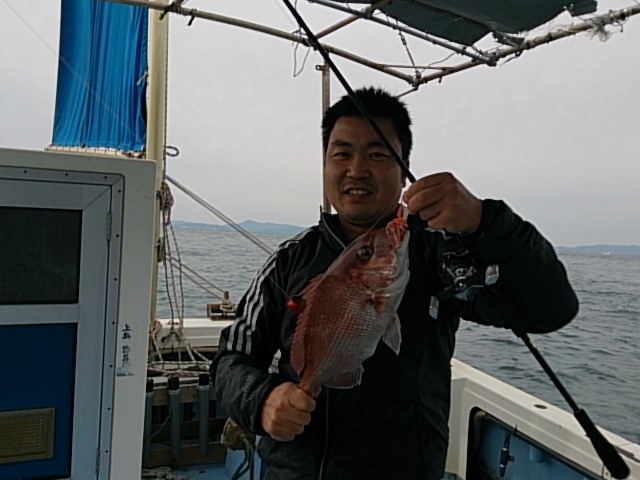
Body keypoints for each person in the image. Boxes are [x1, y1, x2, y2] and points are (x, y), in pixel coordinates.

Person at [211, 87, 578, 479]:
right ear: (325, 165)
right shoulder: (288, 261)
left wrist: (485, 222)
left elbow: (549, 310)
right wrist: (263, 399)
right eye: (341, 154)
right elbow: (231, 359)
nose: (357, 169)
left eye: (377, 154)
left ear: (405, 170)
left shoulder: (440, 254)